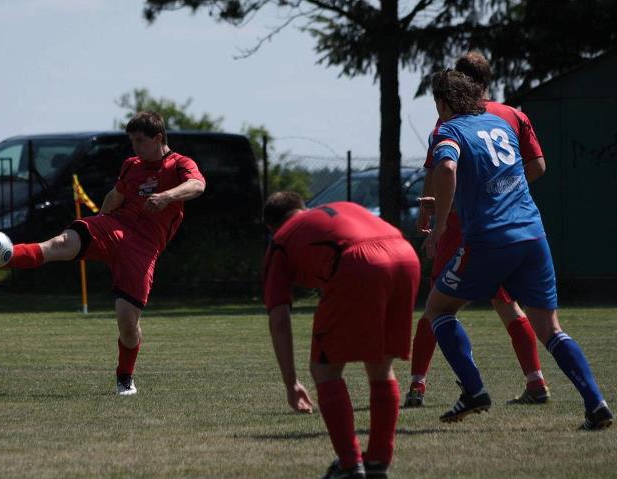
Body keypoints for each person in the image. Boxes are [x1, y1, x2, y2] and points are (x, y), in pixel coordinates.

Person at [423, 69, 612, 430]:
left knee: (438, 308)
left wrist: (442, 224)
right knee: (550, 328)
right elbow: (530, 167)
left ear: (444, 103)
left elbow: (446, 167)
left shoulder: (449, 130)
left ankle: (475, 390)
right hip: (532, 234)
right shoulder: (501, 126)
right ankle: (596, 403)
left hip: (490, 238)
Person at [0, 111, 206, 396]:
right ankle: (4, 257)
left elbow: (198, 185)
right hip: (113, 227)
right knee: (60, 243)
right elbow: (114, 197)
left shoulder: (179, 164)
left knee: (127, 323)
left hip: (143, 247)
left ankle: (124, 376)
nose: (134, 147)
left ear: (158, 138)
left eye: (140, 141)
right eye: (131, 141)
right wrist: (97, 223)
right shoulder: (131, 165)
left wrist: (167, 196)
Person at [404, 51, 550, 408]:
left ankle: (418, 385)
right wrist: (506, 192)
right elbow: (538, 166)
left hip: (462, 224)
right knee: (509, 306)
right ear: (489, 80)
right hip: (510, 223)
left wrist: (432, 214)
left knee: (437, 306)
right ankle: (536, 381)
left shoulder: (451, 122)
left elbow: (440, 170)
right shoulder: (513, 115)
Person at [262, 192, 421, 479]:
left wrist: (291, 383)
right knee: (381, 365)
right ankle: (377, 462)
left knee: (325, 368)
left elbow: (279, 320)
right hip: (406, 254)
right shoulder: (336, 208)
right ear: (304, 207)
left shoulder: (281, 238)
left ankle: (350, 465)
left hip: (356, 262)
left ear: (272, 227)